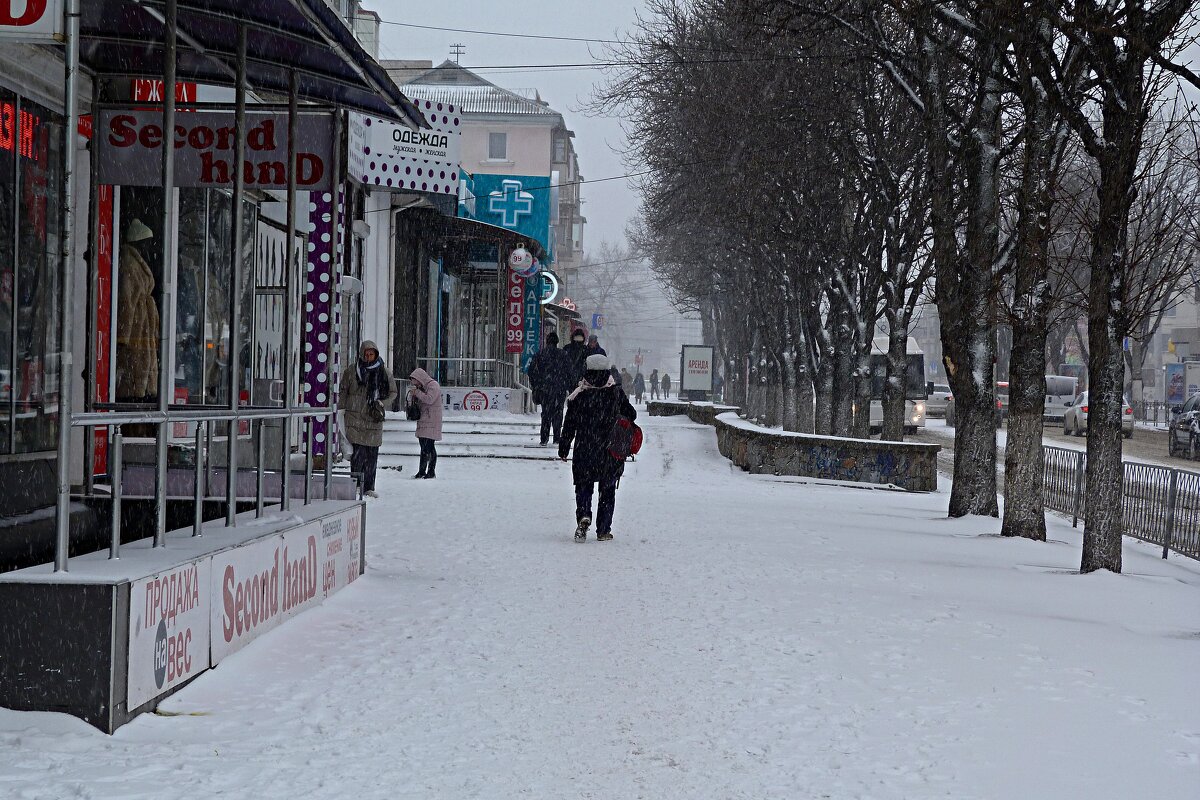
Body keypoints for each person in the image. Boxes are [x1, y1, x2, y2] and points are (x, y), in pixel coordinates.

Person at [559, 354, 637, 542]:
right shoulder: (615, 392)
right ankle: (603, 530)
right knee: (607, 491)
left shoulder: (580, 393)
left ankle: (584, 515)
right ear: (607, 370)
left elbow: (569, 424)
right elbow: (631, 414)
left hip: (585, 448)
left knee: (584, 486)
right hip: (609, 451)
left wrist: (564, 447)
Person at [339, 341, 394, 498]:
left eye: (372, 354)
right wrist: (341, 409)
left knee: (371, 456)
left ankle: (369, 486)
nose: (369, 357)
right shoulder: (352, 371)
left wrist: (382, 403)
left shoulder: (384, 372)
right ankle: (356, 485)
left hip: (373, 419)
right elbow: (343, 390)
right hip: (354, 419)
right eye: (366, 354)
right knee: (358, 455)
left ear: (376, 354)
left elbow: (392, 392)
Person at [526, 330, 574, 445]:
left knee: (546, 413)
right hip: (559, 389)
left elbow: (532, 371)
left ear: (547, 342)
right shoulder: (563, 355)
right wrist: (566, 385)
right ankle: (557, 437)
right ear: (557, 342)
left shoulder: (540, 354)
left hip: (544, 389)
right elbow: (570, 372)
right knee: (558, 413)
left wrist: (536, 385)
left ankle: (544, 438)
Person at [407, 367, 443, 479]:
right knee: (423, 447)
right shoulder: (422, 387)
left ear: (420, 378)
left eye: (415, 380)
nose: (414, 383)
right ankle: (422, 471)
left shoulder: (433, 385)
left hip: (431, 420)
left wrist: (417, 392)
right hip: (424, 420)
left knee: (429, 447)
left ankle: (431, 471)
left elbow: (430, 399)